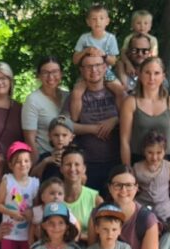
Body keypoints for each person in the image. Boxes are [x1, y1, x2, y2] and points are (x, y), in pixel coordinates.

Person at [119, 57, 170, 188]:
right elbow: (124, 141)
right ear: (139, 74)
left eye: (156, 73)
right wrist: (128, 171)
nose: (152, 78)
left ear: (163, 76)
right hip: (138, 162)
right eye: (147, 72)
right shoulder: (130, 102)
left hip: (166, 162)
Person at [70, 48, 122, 190]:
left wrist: (114, 120)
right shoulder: (77, 93)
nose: (94, 70)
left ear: (105, 67)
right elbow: (69, 124)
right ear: (81, 70)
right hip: (88, 162)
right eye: (89, 66)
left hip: (115, 160)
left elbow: (129, 117)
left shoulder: (115, 91)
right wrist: (94, 129)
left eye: (98, 65)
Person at [22, 55, 68, 156]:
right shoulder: (33, 100)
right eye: (45, 72)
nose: (51, 76)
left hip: (68, 157)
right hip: (46, 157)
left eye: (55, 71)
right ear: (38, 75)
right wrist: (39, 165)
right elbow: (30, 140)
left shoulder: (67, 97)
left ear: (61, 74)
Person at [133, 131, 170, 223]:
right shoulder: (136, 168)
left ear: (165, 151)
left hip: (165, 209)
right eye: (150, 152)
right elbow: (132, 190)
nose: (154, 157)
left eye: (159, 153)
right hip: (142, 208)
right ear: (144, 151)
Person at [59, 146, 100, 237]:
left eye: (77, 164)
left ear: (84, 168)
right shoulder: (52, 195)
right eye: (68, 164)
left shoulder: (95, 199)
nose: (72, 169)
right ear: (61, 168)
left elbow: (104, 232)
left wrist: (77, 235)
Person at [72, 3, 120, 79]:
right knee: (77, 90)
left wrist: (104, 55)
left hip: (106, 72)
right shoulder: (84, 38)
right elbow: (75, 60)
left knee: (118, 88)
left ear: (107, 21)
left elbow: (114, 62)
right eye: (94, 19)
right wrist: (86, 51)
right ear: (88, 22)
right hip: (87, 73)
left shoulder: (111, 38)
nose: (98, 22)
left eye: (101, 18)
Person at [31, 115, 74, 182]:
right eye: (56, 135)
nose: (60, 139)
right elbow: (31, 177)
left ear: (71, 137)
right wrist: (45, 162)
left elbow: (82, 179)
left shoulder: (75, 157)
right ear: (49, 136)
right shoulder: (45, 157)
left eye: (64, 135)